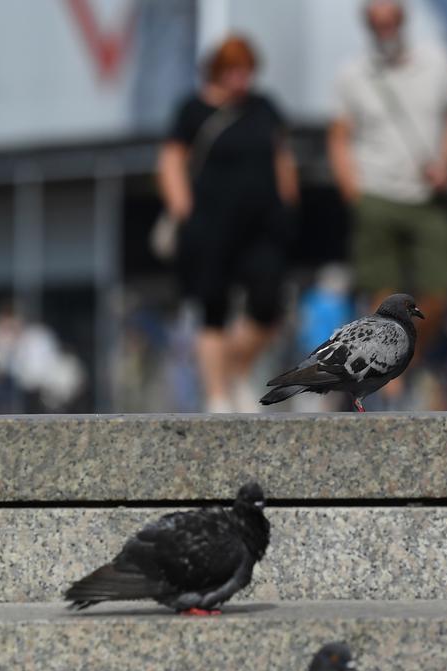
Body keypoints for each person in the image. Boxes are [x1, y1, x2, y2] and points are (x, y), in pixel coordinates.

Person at [157, 35, 299, 414]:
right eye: (233, 70)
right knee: (213, 308)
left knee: (269, 302)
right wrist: (183, 209)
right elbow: (171, 160)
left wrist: (288, 202)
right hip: (210, 224)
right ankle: (217, 394)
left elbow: (281, 156)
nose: (240, 78)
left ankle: (236, 366)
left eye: (246, 70)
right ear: (217, 71)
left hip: (262, 225)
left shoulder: (264, 107)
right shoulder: (193, 110)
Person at [329, 0, 447, 348]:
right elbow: (339, 135)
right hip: (376, 192)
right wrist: (352, 190)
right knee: (382, 298)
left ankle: (408, 359)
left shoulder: (436, 62)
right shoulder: (353, 73)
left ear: (403, 21)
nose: (385, 30)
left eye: (391, 21)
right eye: (377, 24)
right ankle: (390, 371)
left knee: (439, 292)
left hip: (428, 194)